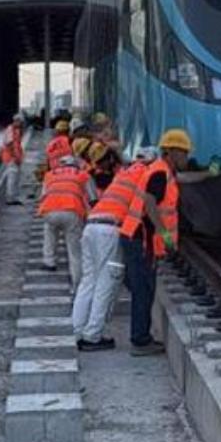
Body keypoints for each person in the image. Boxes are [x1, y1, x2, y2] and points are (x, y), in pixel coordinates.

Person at [119, 128, 186, 356]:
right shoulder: (159, 173)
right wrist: (165, 235)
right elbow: (149, 202)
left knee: (143, 287)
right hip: (140, 238)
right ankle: (140, 341)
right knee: (143, 290)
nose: (186, 157)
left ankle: (142, 337)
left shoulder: (163, 171)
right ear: (170, 152)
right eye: (183, 153)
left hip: (137, 237)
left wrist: (210, 173)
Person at [72, 153, 147, 351]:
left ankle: (77, 330)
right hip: (109, 230)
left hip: (91, 226)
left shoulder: (124, 174)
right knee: (107, 281)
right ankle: (93, 336)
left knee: (88, 280)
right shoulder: (146, 174)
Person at [39, 154, 95, 286]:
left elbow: (43, 195)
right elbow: (93, 198)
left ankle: (49, 261)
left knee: (49, 230)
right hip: (72, 210)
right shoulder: (82, 174)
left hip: (49, 210)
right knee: (74, 248)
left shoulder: (49, 174)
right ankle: (77, 281)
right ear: (74, 164)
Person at [1, 114, 26, 205]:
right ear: (16, 121)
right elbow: (10, 145)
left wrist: (19, 157)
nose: (21, 124)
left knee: (16, 177)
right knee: (12, 177)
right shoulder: (10, 130)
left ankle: (14, 197)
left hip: (15, 157)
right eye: (20, 122)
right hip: (11, 157)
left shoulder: (16, 130)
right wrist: (15, 157)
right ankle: (10, 198)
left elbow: (17, 145)